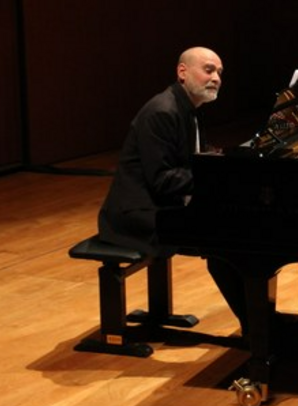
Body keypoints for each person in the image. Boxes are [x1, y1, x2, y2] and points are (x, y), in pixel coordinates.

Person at [98, 46, 283, 336]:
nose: (216, 78)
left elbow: (193, 160)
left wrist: (224, 168)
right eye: (208, 70)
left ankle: (262, 323)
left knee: (236, 233)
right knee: (225, 242)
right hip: (135, 215)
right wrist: (216, 180)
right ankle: (258, 329)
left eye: (220, 73)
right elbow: (163, 180)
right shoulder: (162, 112)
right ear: (182, 72)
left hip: (161, 205)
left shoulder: (188, 108)